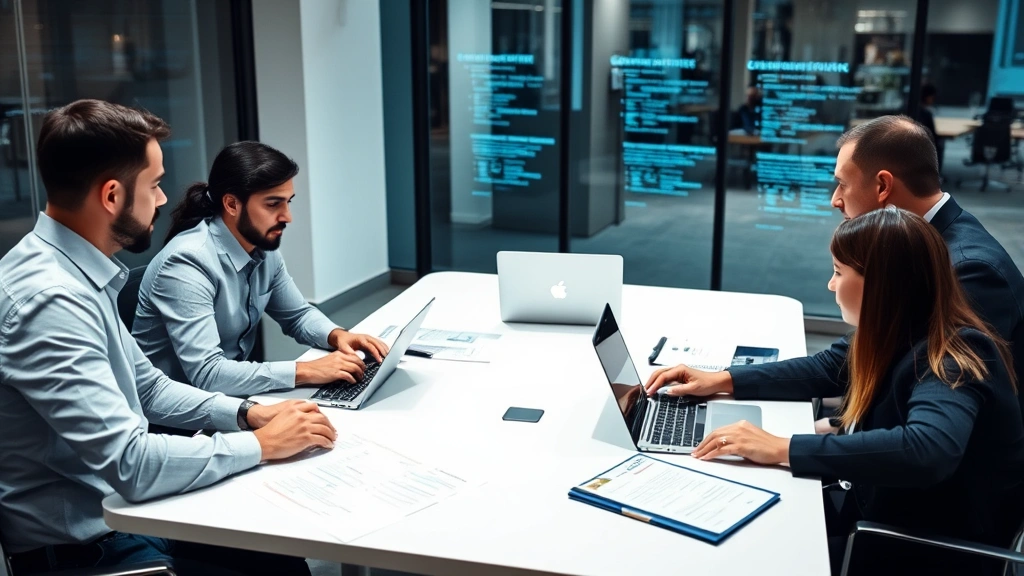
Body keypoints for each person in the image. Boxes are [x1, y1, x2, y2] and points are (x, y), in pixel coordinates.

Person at [0, 100, 336, 575]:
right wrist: (263, 445)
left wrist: (248, 414)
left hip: (126, 516)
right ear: (112, 196)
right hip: (92, 549)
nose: (163, 200)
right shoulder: (51, 301)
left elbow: (149, 387)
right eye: (154, 185)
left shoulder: (75, 273)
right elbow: (132, 464)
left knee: (278, 554)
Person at [646, 208, 1024, 575]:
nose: (830, 285)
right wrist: (722, 380)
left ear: (879, 283)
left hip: (909, 547)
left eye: (838, 272)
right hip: (878, 510)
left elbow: (927, 449)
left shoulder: (954, 354)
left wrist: (782, 448)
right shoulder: (906, 323)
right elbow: (829, 368)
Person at [753, 115, 1024, 434]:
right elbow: (857, 356)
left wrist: (806, 440)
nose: (834, 200)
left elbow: (929, 413)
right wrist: (724, 380)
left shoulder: (968, 269)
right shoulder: (923, 245)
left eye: (843, 183)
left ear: (882, 186)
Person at [131, 141, 389, 397]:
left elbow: (297, 315)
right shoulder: (187, 262)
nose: (287, 217)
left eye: (288, 202)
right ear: (232, 204)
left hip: (231, 395)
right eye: (273, 204)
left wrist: (337, 335)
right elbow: (208, 374)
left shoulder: (262, 248)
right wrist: (306, 371)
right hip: (178, 416)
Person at [917, 83, 944, 171]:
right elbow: (933, 135)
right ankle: (936, 174)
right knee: (940, 144)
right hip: (924, 147)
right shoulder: (926, 114)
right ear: (929, 97)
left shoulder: (910, 108)